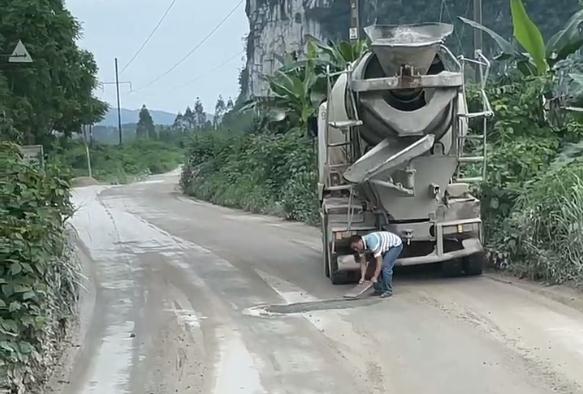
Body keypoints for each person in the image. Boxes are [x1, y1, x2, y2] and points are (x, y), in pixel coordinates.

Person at [350, 231, 403, 298]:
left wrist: (375, 277)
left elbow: (379, 261)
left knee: (385, 267)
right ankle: (379, 289)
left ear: (360, 241)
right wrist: (362, 277)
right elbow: (363, 263)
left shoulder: (371, 241)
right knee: (372, 267)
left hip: (395, 245)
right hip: (383, 247)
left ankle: (388, 290)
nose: (356, 249)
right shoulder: (360, 248)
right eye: (354, 248)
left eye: (356, 247)